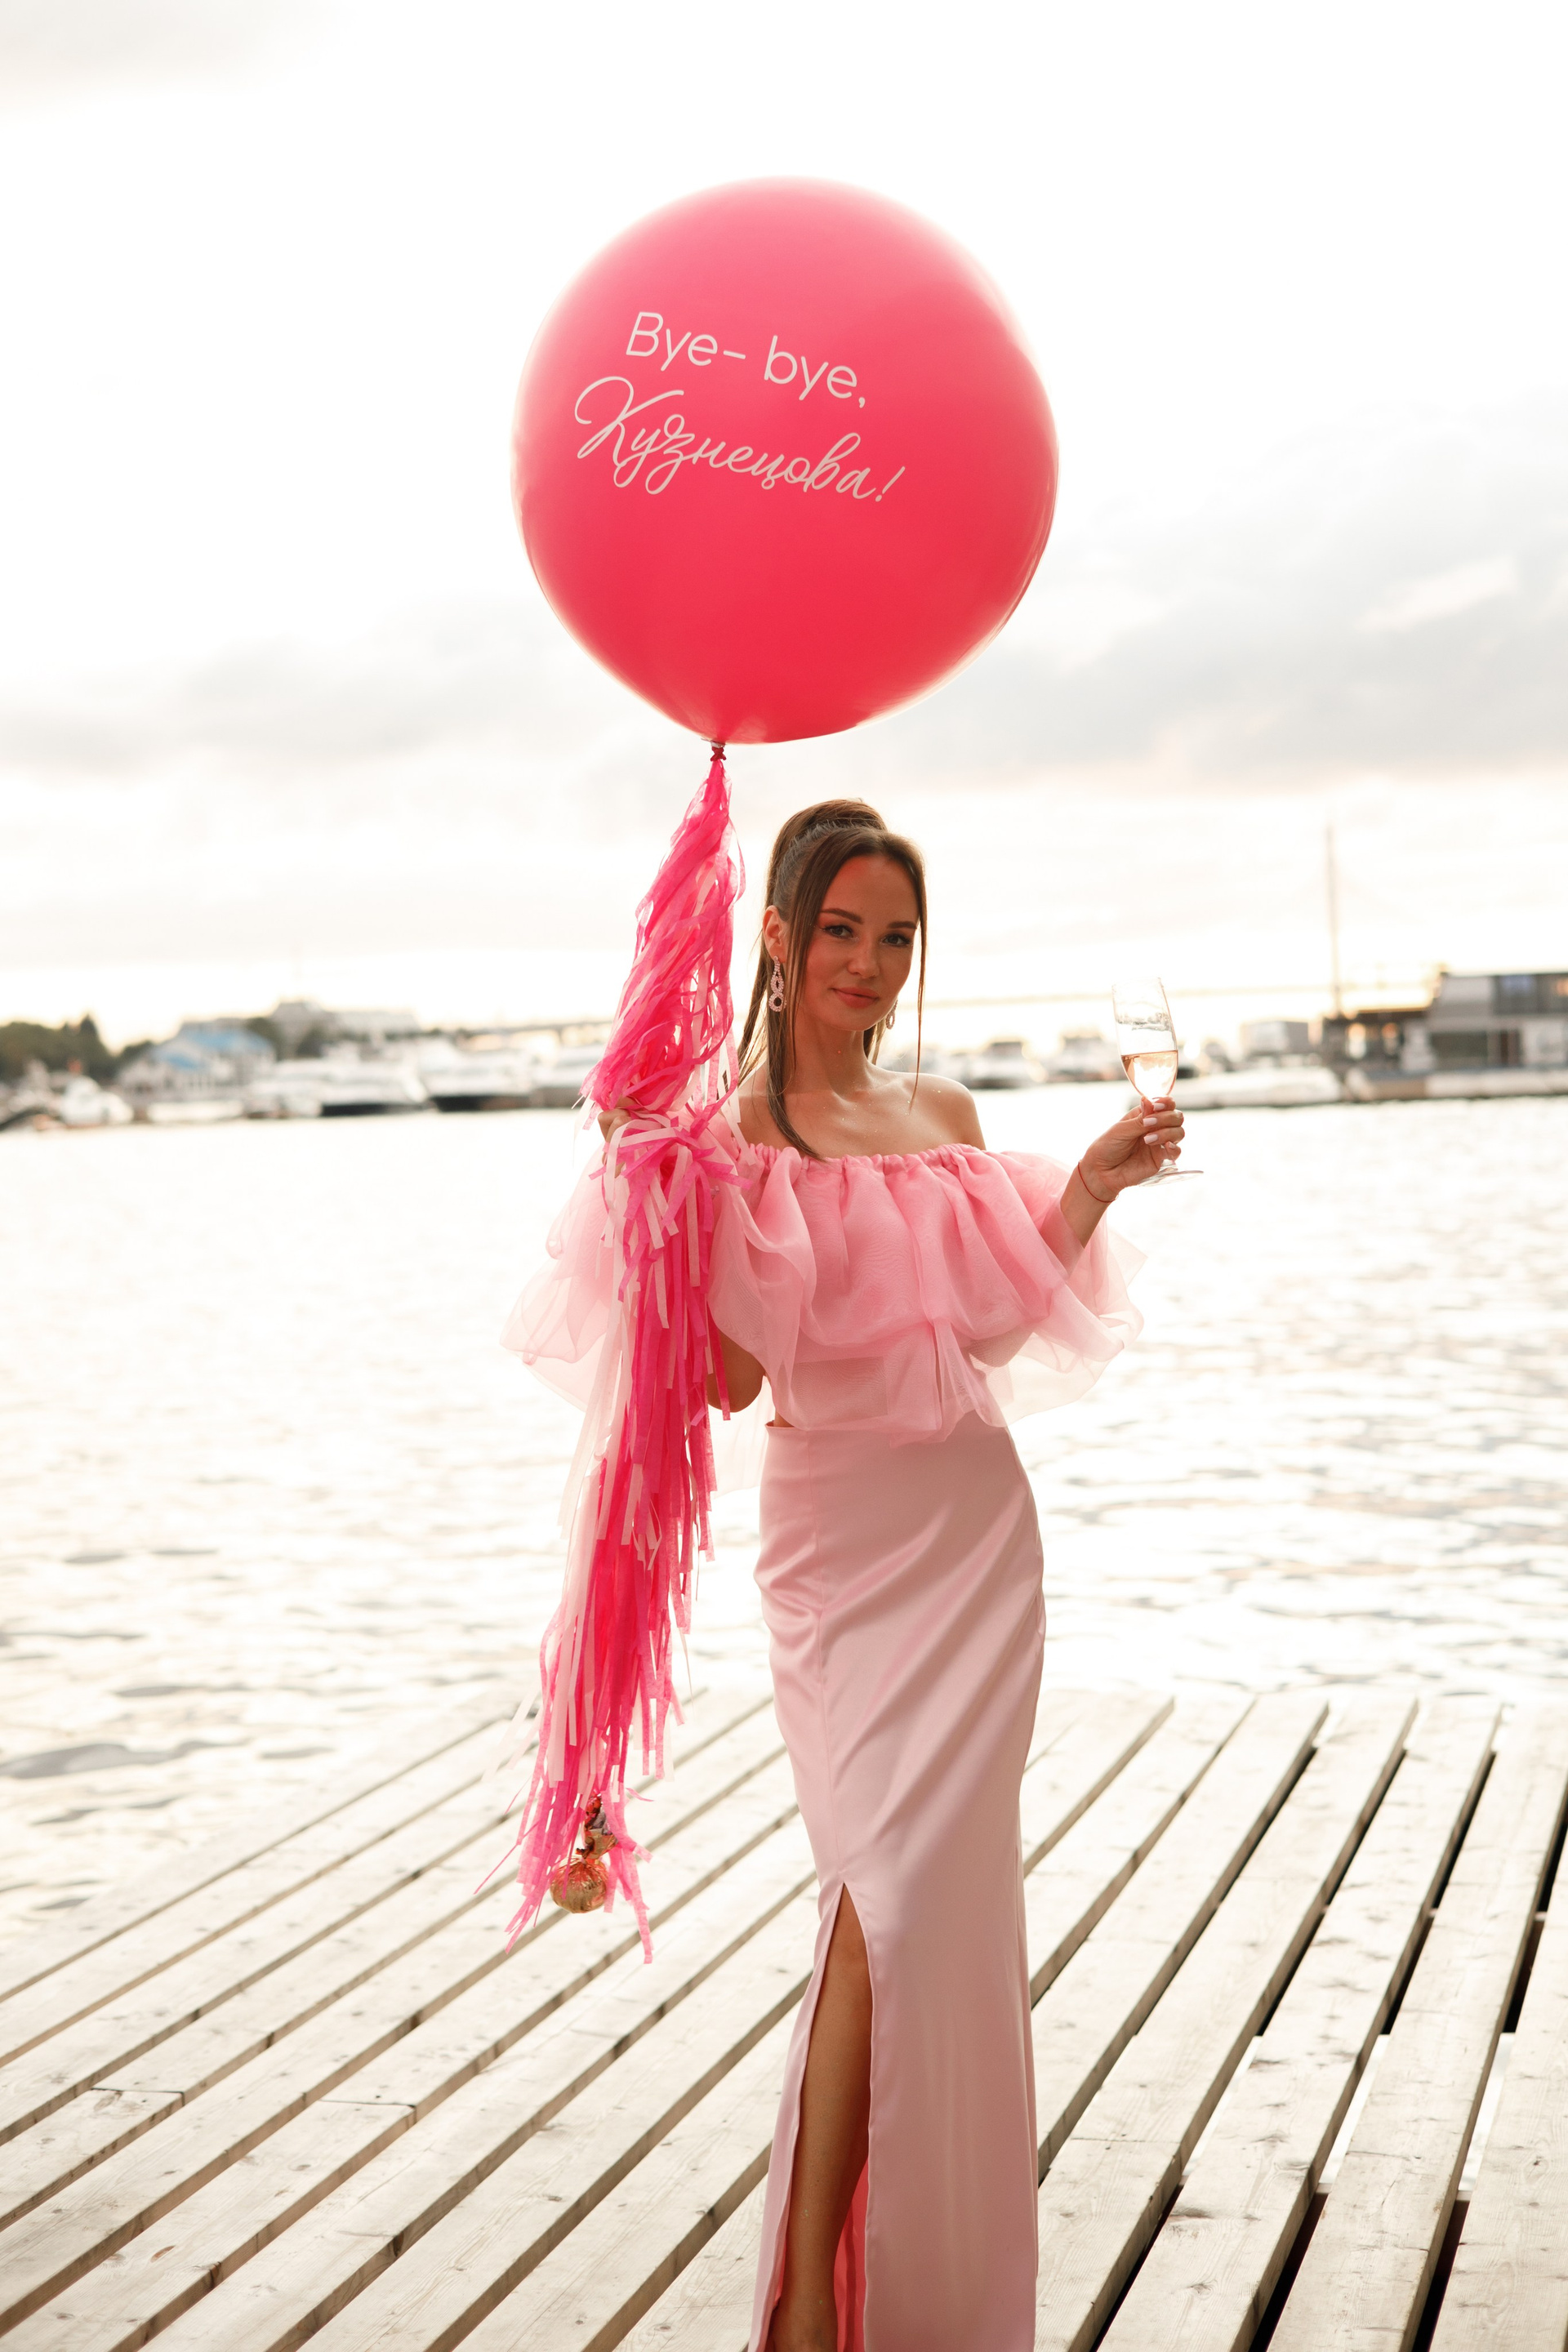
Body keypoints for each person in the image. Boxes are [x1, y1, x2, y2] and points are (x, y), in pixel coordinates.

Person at [521, 796, 1180, 2352]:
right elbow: (733, 1382)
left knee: (936, 1924)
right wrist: (644, 1202)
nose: (869, 964)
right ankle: (814, 2295)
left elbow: (992, 1325)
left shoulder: (939, 1112)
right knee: (879, 1898)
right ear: (776, 933)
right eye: (840, 930)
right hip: (839, 1560)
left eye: (894, 938)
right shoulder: (728, 1139)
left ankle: (910, 2299)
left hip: (975, 1549)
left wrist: (1091, 1183)